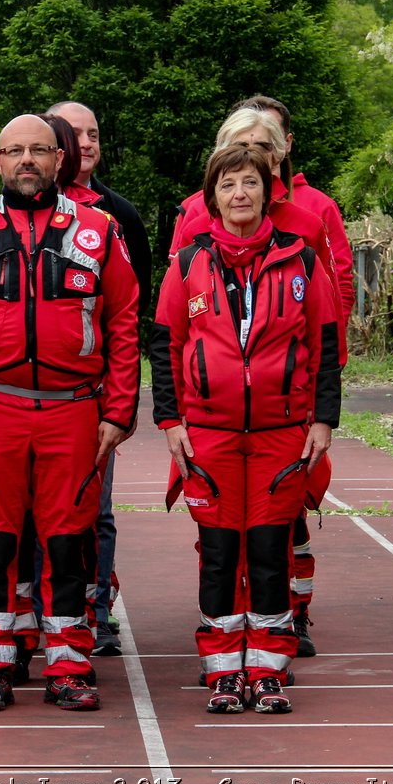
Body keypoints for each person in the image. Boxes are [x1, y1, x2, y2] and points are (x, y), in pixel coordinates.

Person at [0, 114, 140, 713]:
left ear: (58, 160)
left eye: (39, 150)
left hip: (74, 412)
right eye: (14, 151)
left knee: (68, 543)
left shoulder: (99, 231)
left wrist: (118, 411)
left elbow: (125, 321)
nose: (27, 160)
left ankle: (68, 662)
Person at [150, 144, 341, 715]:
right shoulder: (187, 265)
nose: (240, 193)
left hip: (282, 435)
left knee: (269, 553)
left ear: (267, 193)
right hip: (207, 434)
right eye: (228, 184)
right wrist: (169, 421)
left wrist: (324, 420)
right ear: (212, 198)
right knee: (218, 551)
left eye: (250, 184)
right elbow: (165, 347)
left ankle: (267, 667)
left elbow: (325, 345)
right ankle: (222, 669)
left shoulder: (302, 260)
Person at [228, 94, 355, 658]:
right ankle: (232, 618)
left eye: (263, 146)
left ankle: (289, 614)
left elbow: (334, 299)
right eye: (242, 146)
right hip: (224, 405)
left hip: (291, 396)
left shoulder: (312, 216)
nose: (253, 157)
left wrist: (324, 385)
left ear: (280, 154)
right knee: (229, 520)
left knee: (289, 510)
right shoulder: (197, 215)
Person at [47, 101, 151, 658]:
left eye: (92, 133)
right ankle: (35, 612)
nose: (83, 143)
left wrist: (122, 400)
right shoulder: (1, 218)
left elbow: (133, 312)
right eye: (71, 134)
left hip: (94, 392)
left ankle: (96, 609)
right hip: (27, 399)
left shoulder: (119, 216)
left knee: (98, 508)